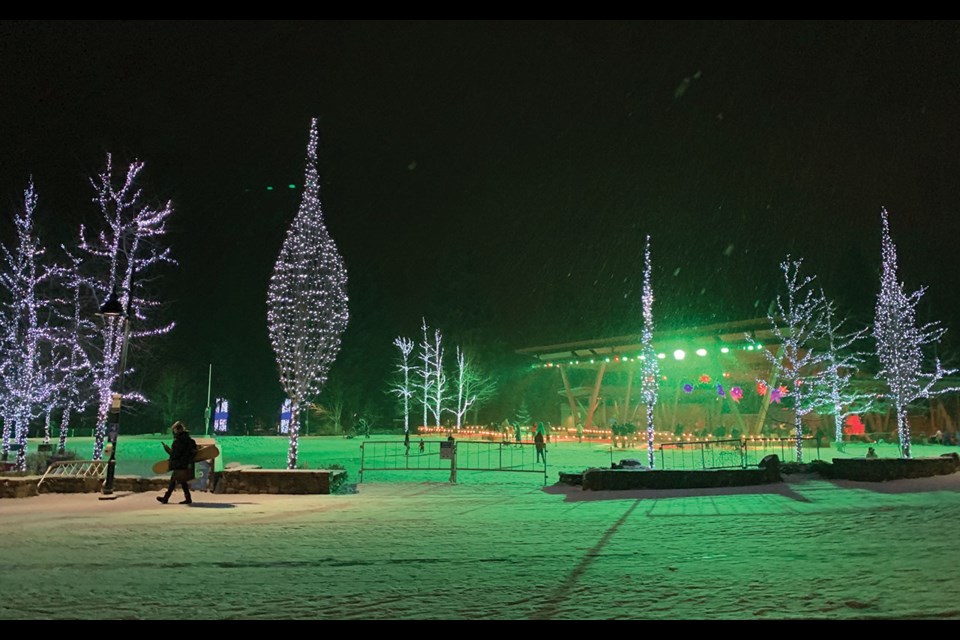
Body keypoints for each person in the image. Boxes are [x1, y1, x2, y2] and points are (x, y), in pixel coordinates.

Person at [157, 421, 198, 505]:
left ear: (177, 430)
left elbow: (175, 454)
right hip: (185, 464)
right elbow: (193, 451)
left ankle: (166, 498)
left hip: (179, 464)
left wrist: (167, 449)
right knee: (182, 481)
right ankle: (187, 498)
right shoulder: (189, 440)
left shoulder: (178, 442)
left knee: (173, 481)